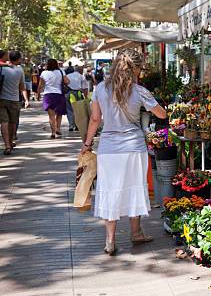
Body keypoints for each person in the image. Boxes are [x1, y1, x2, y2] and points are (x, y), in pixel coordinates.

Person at [80, 48, 166, 255]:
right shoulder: (139, 91)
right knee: (135, 186)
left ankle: (110, 240)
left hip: (109, 148)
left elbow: (95, 119)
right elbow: (162, 115)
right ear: (135, 69)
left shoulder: (100, 88)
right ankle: (136, 233)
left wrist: (87, 144)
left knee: (110, 189)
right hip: (133, 147)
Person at [0, 50, 28, 155]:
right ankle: (11, 142)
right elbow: (22, 86)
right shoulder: (19, 70)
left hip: (2, 99)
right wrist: (26, 99)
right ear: (18, 59)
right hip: (14, 99)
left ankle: (7, 145)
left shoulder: (2, 68)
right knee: (12, 122)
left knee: (4, 122)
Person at [37, 58, 70, 138]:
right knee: (59, 113)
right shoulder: (61, 71)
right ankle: (58, 128)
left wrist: (38, 94)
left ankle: (53, 132)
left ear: (48, 64)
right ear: (56, 64)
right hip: (59, 95)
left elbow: (41, 85)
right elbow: (67, 82)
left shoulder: (44, 73)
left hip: (48, 95)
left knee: (51, 115)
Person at [66, 65, 88, 131]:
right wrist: (86, 97)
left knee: (69, 110)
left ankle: (71, 125)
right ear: (80, 70)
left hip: (68, 93)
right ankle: (77, 125)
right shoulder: (81, 76)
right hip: (78, 94)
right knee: (78, 110)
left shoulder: (68, 75)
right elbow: (85, 88)